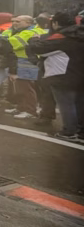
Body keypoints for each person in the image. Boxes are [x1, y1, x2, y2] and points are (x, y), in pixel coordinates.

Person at [28, 12, 84, 141]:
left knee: (67, 105)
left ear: (56, 23)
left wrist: (34, 38)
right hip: (80, 74)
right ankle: (81, 131)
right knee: (79, 104)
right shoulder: (79, 35)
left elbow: (39, 49)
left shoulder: (63, 38)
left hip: (64, 75)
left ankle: (69, 132)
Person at [4, 15, 42, 119]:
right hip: (19, 61)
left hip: (27, 62)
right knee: (20, 87)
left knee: (27, 87)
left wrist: (6, 39)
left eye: (18, 21)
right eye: (14, 21)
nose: (14, 23)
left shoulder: (30, 32)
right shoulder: (19, 31)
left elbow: (11, 43)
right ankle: (21, 107)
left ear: (28, 23)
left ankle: (30, 110)